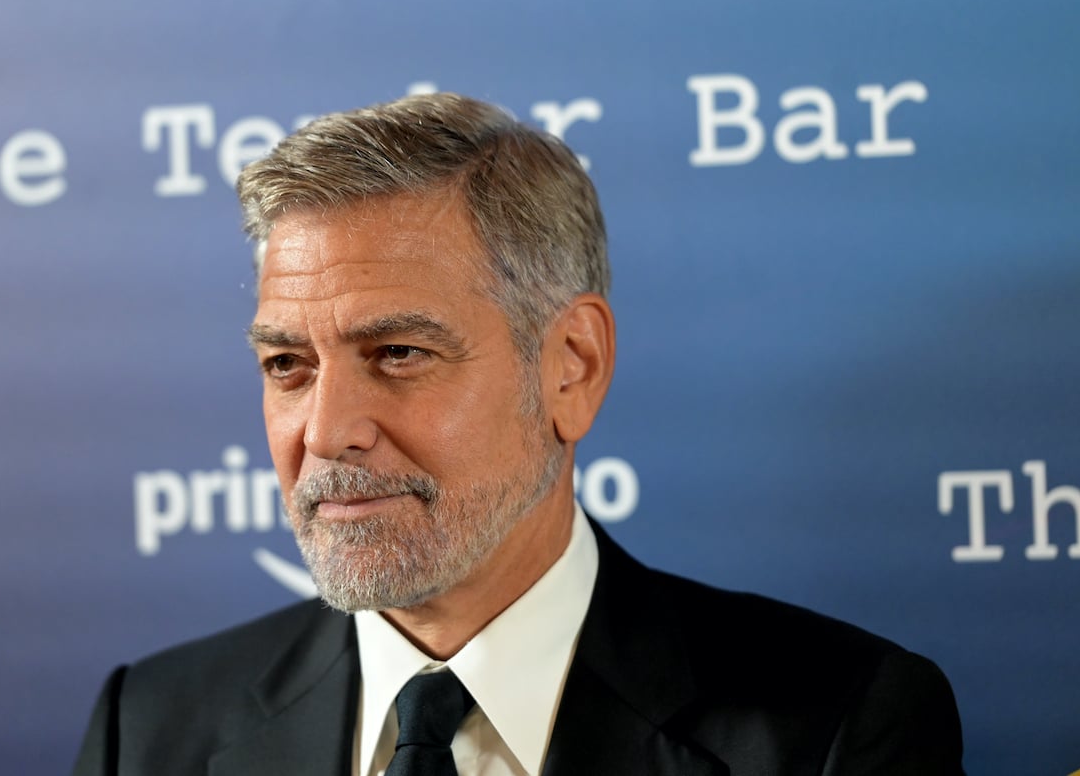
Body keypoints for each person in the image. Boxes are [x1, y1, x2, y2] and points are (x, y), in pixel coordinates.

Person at [71, 92, 964, 775]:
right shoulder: (148, 729)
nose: (329, 431)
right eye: (287, 367)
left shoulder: (837, 726)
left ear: (570, 365)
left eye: (399, 352)